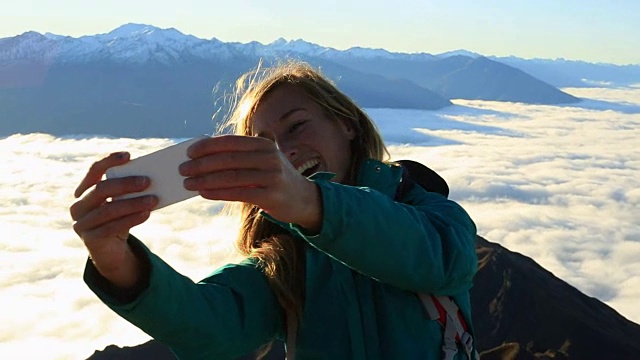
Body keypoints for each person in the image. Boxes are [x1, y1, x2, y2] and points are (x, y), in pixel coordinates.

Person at [70, 60, 479, 360]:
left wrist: (306, 200)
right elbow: (213, 327)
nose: (284, 150)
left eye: (296, 126)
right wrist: (117, 263)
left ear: (347, 125)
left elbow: (448, 262)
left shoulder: (421, 206)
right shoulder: (283, 257)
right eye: (264, 142)